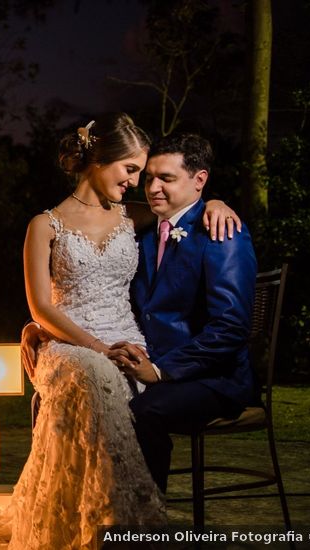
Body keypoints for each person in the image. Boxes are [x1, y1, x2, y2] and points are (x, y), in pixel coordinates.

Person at [0, 114, 240, 550]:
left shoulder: (132, 217)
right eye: (131, 169)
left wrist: (217, 202)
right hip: (66, 345)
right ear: (99, 160)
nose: (138, 183)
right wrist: (74, 339)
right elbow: (41, 305)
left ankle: (112, 526)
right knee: (93, 375)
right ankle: (116, 525)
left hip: (127, 339)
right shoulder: (43, 226)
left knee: (115, 374)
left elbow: (185, 212)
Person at [108, 133, 257, 495]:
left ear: (200, 180)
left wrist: (161, 371)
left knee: (143, 412)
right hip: (150, 364)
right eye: (149, 177)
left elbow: (231, 327)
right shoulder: (143, 233)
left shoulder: (222, 232)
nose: (153, 187)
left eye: (167, 179)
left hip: (213, 378)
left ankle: (147, 516)